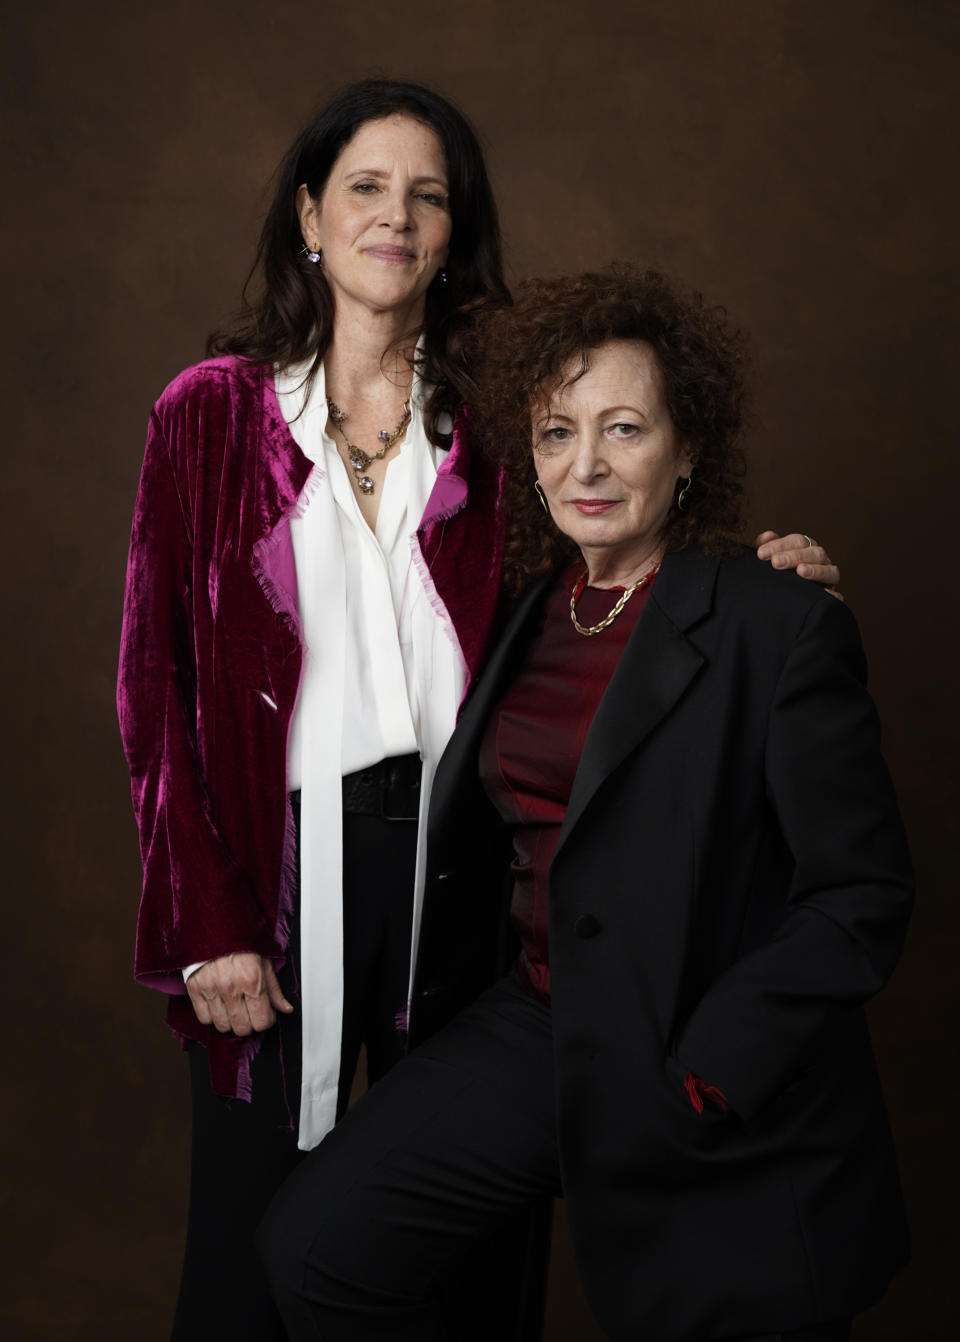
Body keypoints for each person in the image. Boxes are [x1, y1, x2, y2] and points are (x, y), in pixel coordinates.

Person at [117, 78, 839, 1338]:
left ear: (456, 233)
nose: (396, 217)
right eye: (366, 187)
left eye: (429, 195)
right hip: (272, 895)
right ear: (309, 214)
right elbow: (153, 683)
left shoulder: (503, 424)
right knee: (252, 1259)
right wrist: (203, 921)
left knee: (451, 1258)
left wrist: (760, 577)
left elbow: (616, 555)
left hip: (471, 882)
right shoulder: (209, 414)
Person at [257, 266, 912, 1342]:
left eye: (624, 429)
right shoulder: (523, 613)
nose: (588, 465)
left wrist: (714, 1067)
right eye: (558, 433)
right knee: (319, 1245)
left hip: (697, 1052)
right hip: (541, 1023)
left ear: (687, 449)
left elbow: (862, 893)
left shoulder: (772, 620)